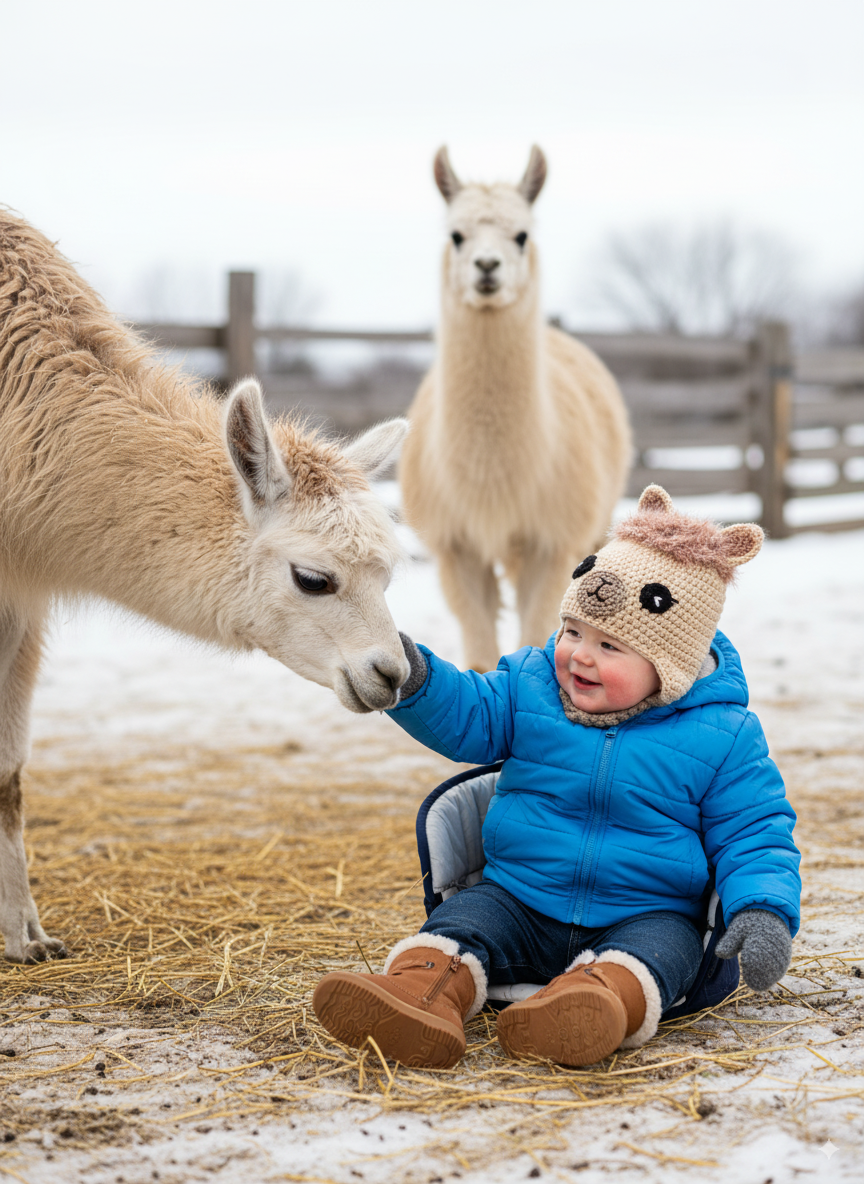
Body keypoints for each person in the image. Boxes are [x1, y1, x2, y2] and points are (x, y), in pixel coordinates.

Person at [313, 486, 801, 1069]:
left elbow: (756, 831)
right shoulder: (530, 686)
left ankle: (586, 1009)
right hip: (518, 894)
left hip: (645, 911)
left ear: (669, 668)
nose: (578, 656)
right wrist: (417, 678)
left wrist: (763, 909)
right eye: (573, 631)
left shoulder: (724, 737)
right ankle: (419, 998)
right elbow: (466, 714)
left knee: (657, 953)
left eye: (609, 645)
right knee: (462, 927)